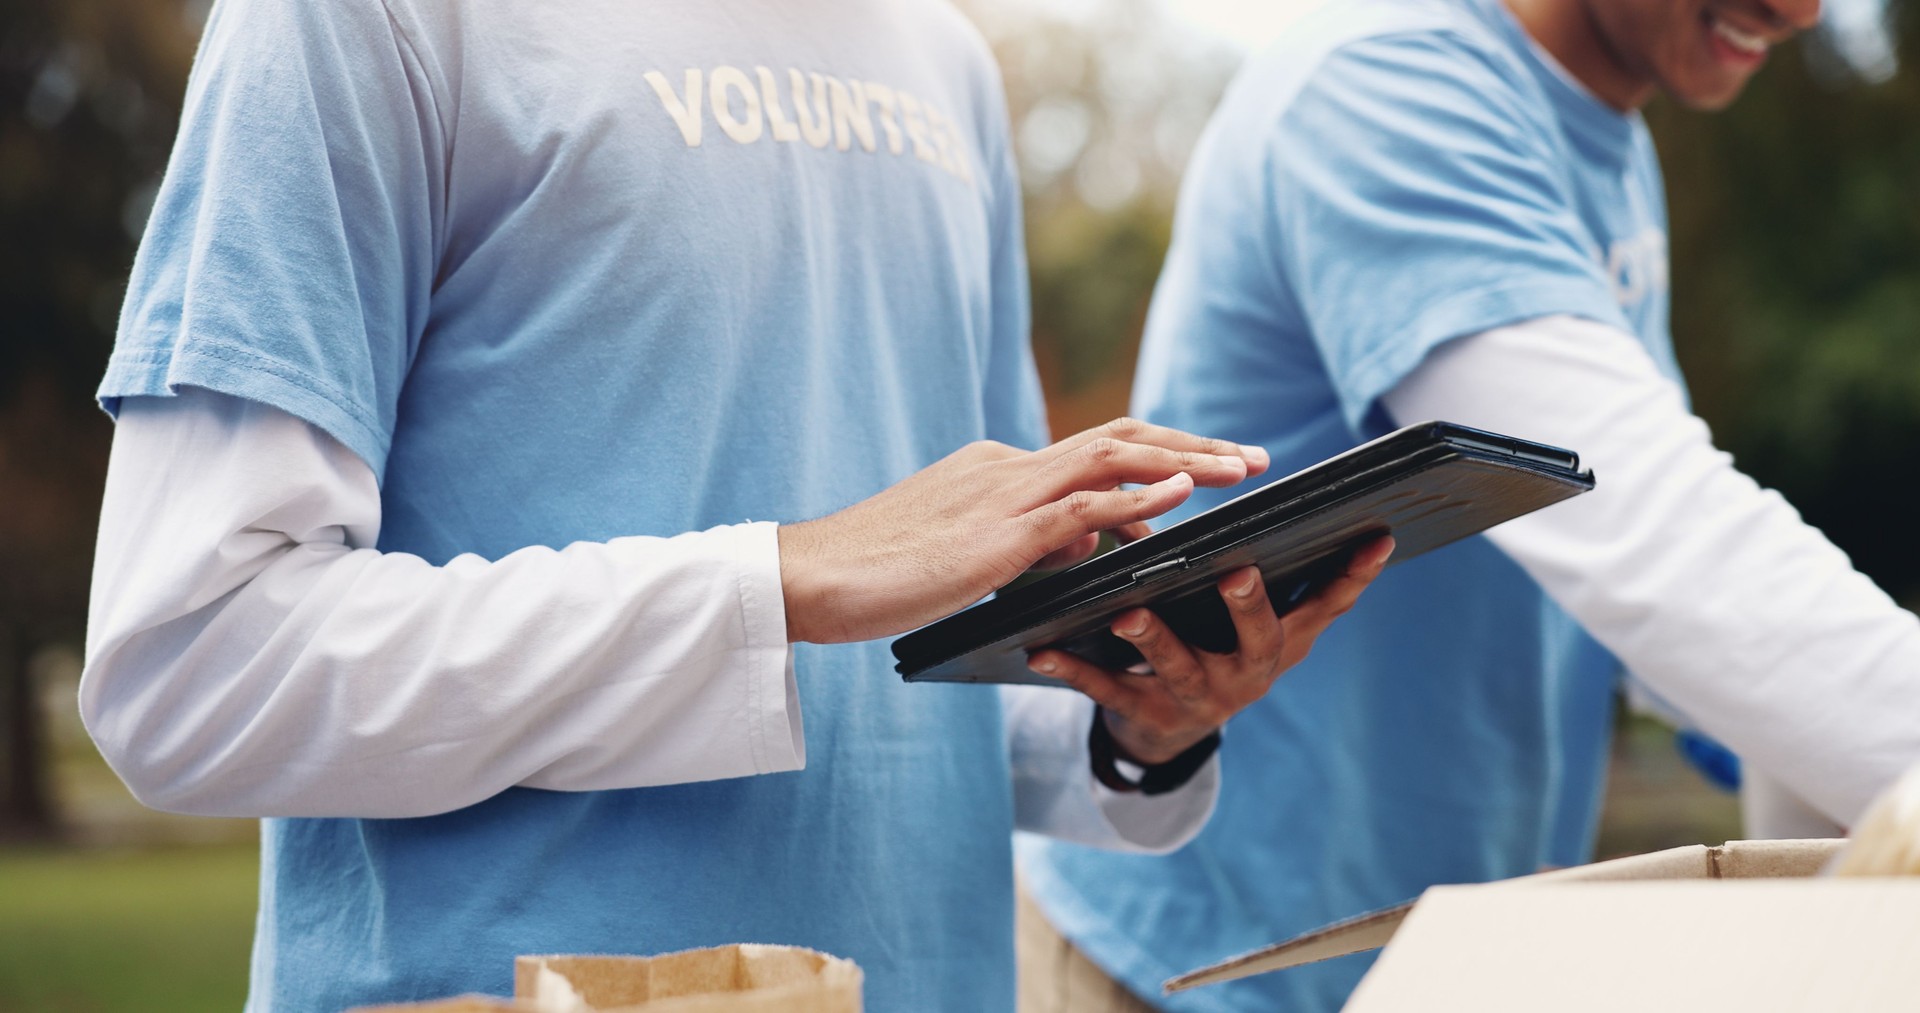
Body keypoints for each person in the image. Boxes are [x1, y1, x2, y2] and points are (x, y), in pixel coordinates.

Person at [77, 2, 1391, 1011]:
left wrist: (1140, 720)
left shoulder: (942, 55)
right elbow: (193, 668)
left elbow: (936, 662)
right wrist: (781, 580)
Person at [1017, 0, 1920, 1010]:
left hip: (1435, 954)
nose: (1799, 11)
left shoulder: (1600, 128)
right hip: (1212, 965)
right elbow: (1659, 537)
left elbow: (1612, 537)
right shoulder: (1391, 96)